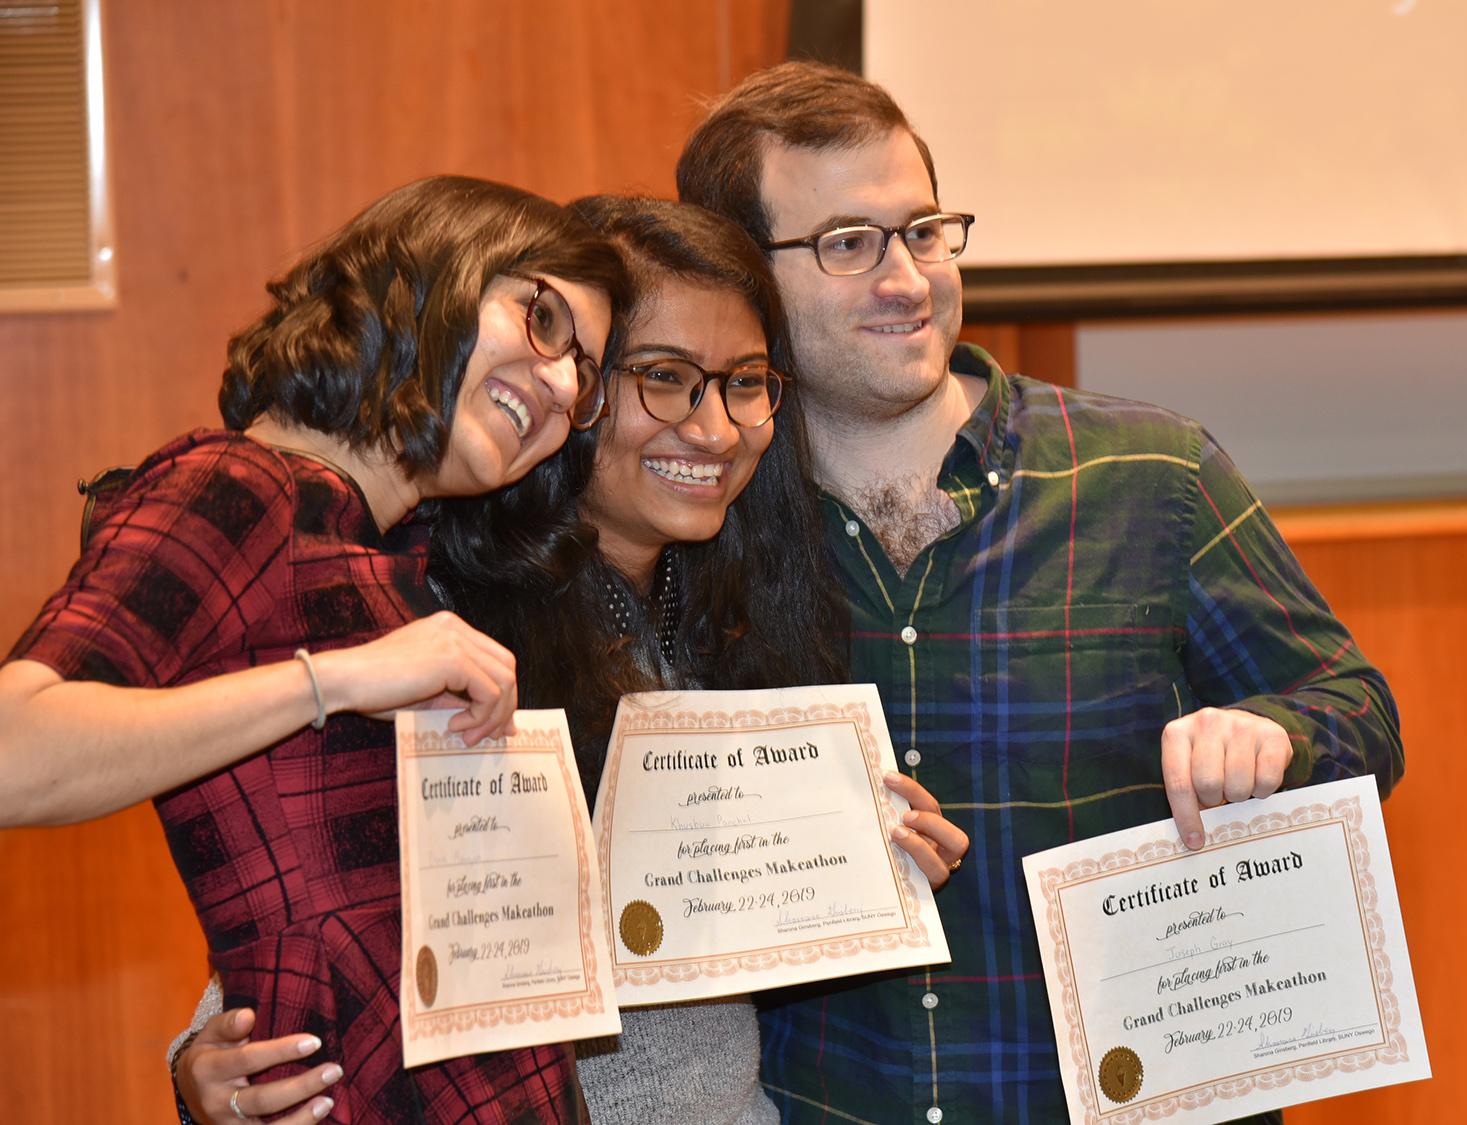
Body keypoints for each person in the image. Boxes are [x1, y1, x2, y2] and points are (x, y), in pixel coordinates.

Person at [673, 61, 1404, 1123]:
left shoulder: (1154, 473)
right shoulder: (702, 522)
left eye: (923, 230)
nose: (905, 279)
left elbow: (1361, 714)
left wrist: (1278, 738)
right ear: (741, 276)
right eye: (847, 243)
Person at [169, 196, 969, 1124]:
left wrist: (875, 864)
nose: (713, 430)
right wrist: (204, 1070)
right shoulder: (436, 632)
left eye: (745, 382)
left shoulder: (735, 622)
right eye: (665, 377)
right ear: (573, 389)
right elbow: (303, 916)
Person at [0, 175, 628, 1122]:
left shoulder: (399, 551)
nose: (564, 383)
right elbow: (14, 750)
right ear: (426, 273)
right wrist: (332, 681)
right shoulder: (236, 485)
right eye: (542, 319)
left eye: (584, 373)